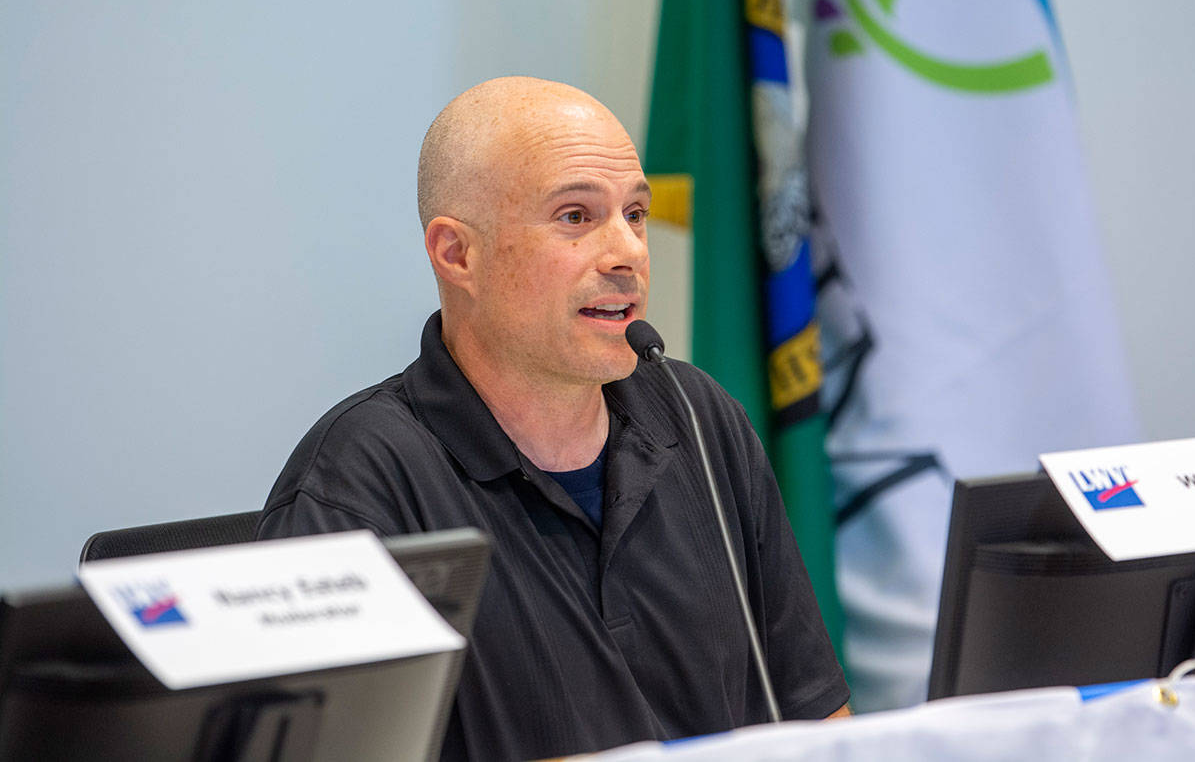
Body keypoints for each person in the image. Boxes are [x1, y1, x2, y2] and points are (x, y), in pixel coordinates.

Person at [257, 76, 850, 760]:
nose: (626, 251)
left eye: (634, 213)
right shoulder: (359, 480)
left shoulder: (701, 419)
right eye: (575, 216)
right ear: (457, 254)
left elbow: (817, 719)